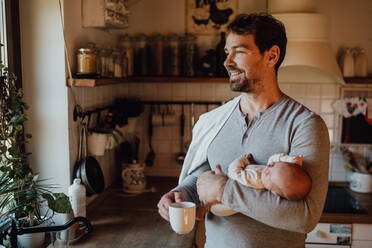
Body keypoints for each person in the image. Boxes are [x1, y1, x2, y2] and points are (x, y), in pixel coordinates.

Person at [158, 13, 329, 248]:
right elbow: (204, 176)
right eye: (228, 52)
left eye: (239, 52)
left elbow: (305, 217)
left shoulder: (304, 125)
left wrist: (224, 190)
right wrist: (181, 194)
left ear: (271, 56)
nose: (227, 62)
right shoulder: (214, 121)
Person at [211, 153, 311, 216]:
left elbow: (234, 172)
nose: (268, 166)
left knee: (217, 192)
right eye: (274, 165)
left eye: (268, 173)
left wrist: (243, 160)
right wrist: (290, 160)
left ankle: (219, 175)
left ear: (274, 192)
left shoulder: (256, 179)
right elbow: (272, 159)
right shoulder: (270, 177)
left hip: (225, 203)